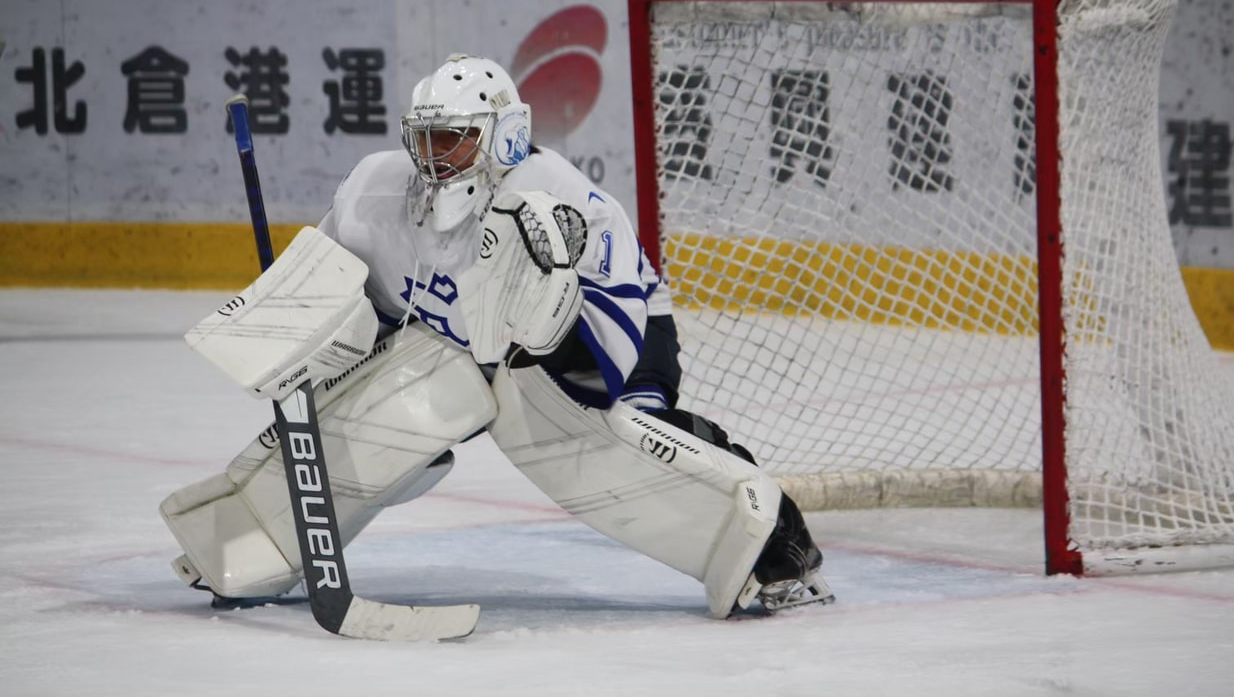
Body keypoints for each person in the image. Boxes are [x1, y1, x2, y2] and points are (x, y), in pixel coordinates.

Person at [161, 54, 832, 619]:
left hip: (611, 329)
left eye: (451, 139)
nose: (432, 159)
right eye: (423, 140)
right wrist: (305, 343)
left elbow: (609, 364)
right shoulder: (374, 194)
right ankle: (248, 543)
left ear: (502, 137)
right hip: (455, 346)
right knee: (395, 406)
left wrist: (551, 333)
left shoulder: (560, 203)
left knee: (605, 440)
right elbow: (362, 311)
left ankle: (770, 536)